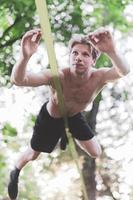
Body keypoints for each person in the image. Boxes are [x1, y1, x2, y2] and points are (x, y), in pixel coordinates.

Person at [8, 27, 130, 199]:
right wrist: (25, 57)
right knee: (33, 154)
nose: (78, 58)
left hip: (74, 117)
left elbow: (123, 71)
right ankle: (15, 171)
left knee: (96, 151)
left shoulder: (99, 77)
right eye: (74, 53)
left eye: (85, 54)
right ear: (70, 56)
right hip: (51, 118)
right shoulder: (57, 76)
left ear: (93, 61)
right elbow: (19, 80)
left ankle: (69, 134)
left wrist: (112, 51)